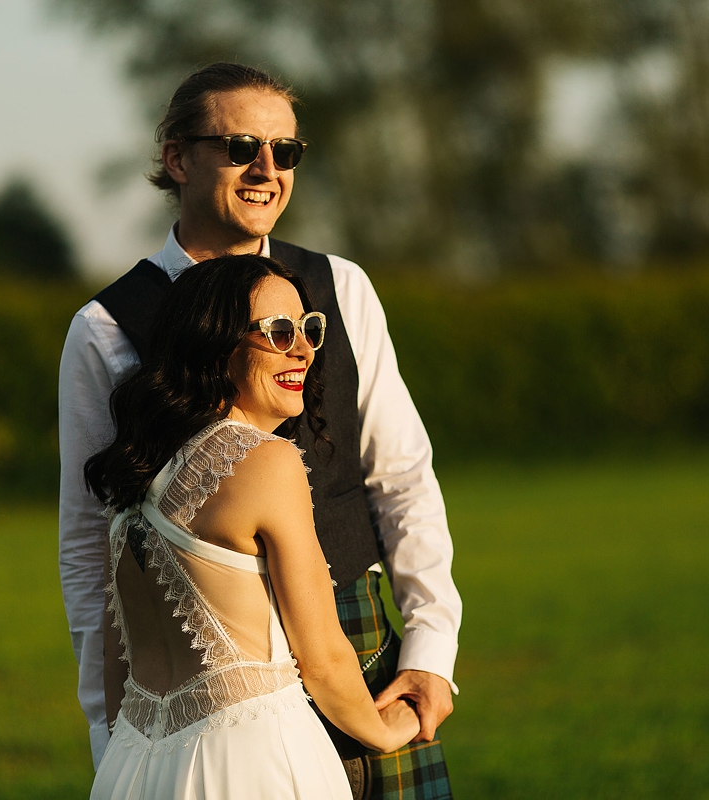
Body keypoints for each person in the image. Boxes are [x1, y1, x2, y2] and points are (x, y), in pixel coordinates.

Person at [59, 63, 461, 800]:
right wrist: (111, 736)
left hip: (359, 644)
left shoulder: (340, 287)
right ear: (177, 157)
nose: (267, 169)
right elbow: (92, 545)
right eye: (241, 147)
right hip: (204, 681)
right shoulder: (107, 327)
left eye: (287, 151)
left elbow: (402, 477)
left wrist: (432, 647)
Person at [84, 255, 420, 798]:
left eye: (310, 328)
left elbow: (113, 663)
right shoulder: (267, 461)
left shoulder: (131, 483)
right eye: (279, 332)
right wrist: (385, 731)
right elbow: (323, 656)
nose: (305, 349)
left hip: (133, 768)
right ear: (215, 345)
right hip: (249, 762)